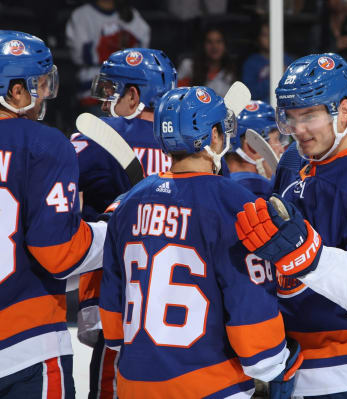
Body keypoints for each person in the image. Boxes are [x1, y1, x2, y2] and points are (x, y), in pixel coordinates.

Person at [98, 85, 302, 398]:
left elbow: (113, 330)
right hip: (209, 385)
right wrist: (276, 361)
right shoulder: (234, 203)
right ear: (216, 136)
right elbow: (260, 348)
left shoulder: (128, 202)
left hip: (134, 384)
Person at [236, 53, 347, 398]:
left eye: (310, 114)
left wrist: (304, 254)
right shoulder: (293, 168)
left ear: (346, 111)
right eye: (291, 116)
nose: (298, 128)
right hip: (296, 370)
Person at [0, 30, 107, 397]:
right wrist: (111, 229)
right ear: (16, 91)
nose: (45, 92)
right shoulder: (44, 144)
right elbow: (59, 255)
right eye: (40, 83)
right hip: (24, 345)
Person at [70, 47, 177, 399]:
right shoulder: (197, 144)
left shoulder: (102, 134)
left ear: (134, 94)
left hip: (117, 305)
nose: (103, 102)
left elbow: (49, 188)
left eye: (111, 90)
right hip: (183, 313)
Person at [65, 0, 150, 113]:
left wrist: (127, 43)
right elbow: (78, 54)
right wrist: (110, 45)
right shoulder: (81, 15)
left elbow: (142, 51)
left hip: (128, 87)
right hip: (94, 89)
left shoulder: (131, 14)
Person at [226, 100, 279, 196]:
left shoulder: (213, 182)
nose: (281, 149)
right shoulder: (259, 187)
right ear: (252, 146)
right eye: (276, 139)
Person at [241, 21, 294, 103]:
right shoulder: (251, 63)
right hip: (260, 111)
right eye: (265, 35)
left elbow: (296, 91)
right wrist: (274, 76)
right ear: (258, 38)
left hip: (286, 111)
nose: (270, 38)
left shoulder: (289, 61)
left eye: (272, 34)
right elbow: (249, 94)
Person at [177, 27, 236, 97]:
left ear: (225, 46)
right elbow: (177, 95)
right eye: (209, 42)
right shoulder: (188, 66)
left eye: (219, 41)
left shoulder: (230, 73)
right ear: (203, 45)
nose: (214, 46)